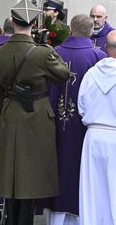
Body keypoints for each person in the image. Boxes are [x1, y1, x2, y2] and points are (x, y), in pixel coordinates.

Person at [0, 0, 70, 225]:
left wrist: (0, 123)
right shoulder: (43, 53)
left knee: (12, 176)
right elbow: (63, 75)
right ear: (34, 24)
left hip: (10, 114)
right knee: (32, 176)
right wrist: (49, 49)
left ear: (13, 22)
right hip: (38, 117)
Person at [38, 14, 106, 225]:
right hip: (84, 128)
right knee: (78, 170)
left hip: (53, 123)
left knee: (56, 166)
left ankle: (54, 217)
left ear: (70, 29)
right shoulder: (99, 58)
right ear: (91, 32)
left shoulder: (53, 53)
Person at [77, 30, 116, 225]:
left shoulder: (91, 73)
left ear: (105, 48)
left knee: (93, 190)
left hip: (93, 137)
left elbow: (81, 107)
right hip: (114, 136)